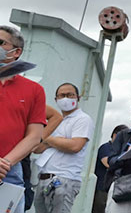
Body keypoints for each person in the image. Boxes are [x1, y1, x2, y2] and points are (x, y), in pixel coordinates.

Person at [0, 25, 46, 213]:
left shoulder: (34, 90)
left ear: (16, 51)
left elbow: (34, 136)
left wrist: (5, 164)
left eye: (1, 42)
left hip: (9, 172)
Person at [33, 82, 94, 213]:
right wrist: (57, 141)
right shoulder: (55, 121)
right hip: (43, 177)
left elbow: (75, 146)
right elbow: (36, 148)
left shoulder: (82, 119)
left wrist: (48, 139)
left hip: (64, 179)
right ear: (56, 99)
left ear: (78, 97)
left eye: (70, 95)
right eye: (61, 95)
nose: (65, 98)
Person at [23, 105, 64, 211]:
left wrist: (37, 140)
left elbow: (56, 117)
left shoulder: (24, 96)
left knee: (19, 201)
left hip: (17, 163)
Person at [92, 124, 128, 213]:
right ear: (115, 135)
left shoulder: (120, 151)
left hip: (115, 188)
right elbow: (108, 164)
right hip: (102, 188)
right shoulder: (106, 148)